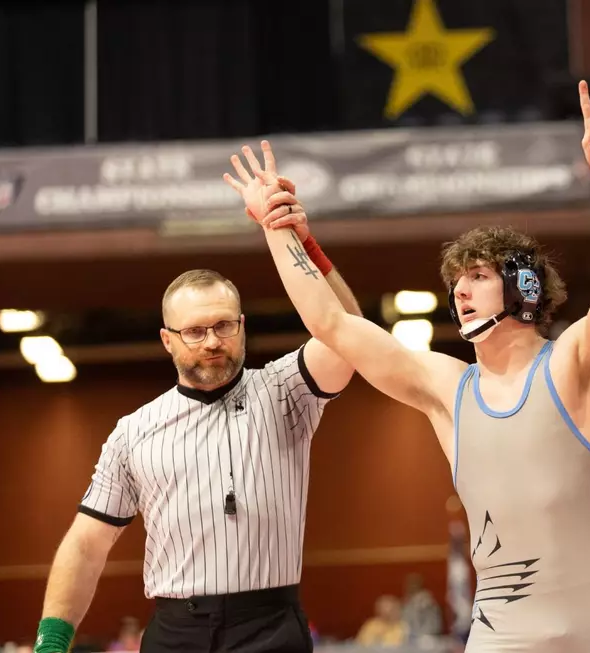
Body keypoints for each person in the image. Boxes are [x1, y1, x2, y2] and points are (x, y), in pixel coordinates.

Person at [224, 73, 590, 652]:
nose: (461, 291)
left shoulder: (574, 363)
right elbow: (334, 327)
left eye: (477, 276)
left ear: (523, 286)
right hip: (503, 637)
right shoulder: (448, 385)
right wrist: (280, 231)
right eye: (456, 281)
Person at [32, 184, 363, 653]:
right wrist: (52, 642)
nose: (212, 341)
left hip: (271, 629)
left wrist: (301, 241)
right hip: (176, 634)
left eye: (224, 325)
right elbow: (87, 543)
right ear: (168, 340)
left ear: (242, 326)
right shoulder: (134, 432)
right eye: (195, 331)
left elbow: (349, 336)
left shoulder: (285, 390)